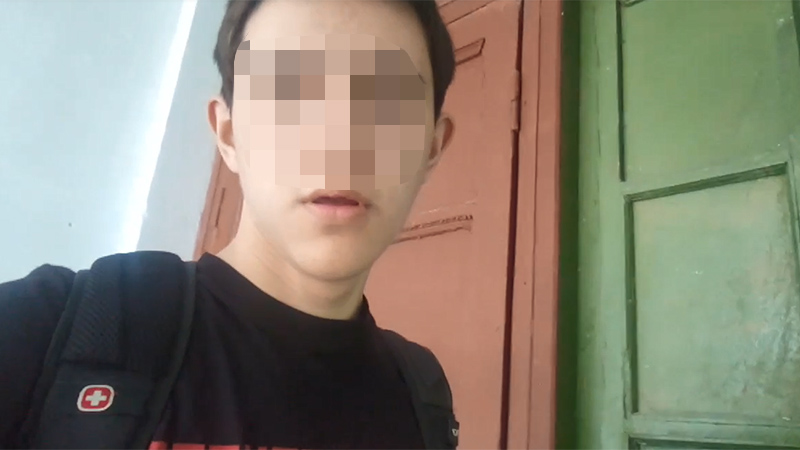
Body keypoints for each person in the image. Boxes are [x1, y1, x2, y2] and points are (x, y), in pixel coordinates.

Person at [0, 0, 458, 448]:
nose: (340, 145)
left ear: (432, 149)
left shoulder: (422, 399)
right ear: (229, 135)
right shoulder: (44, 332)